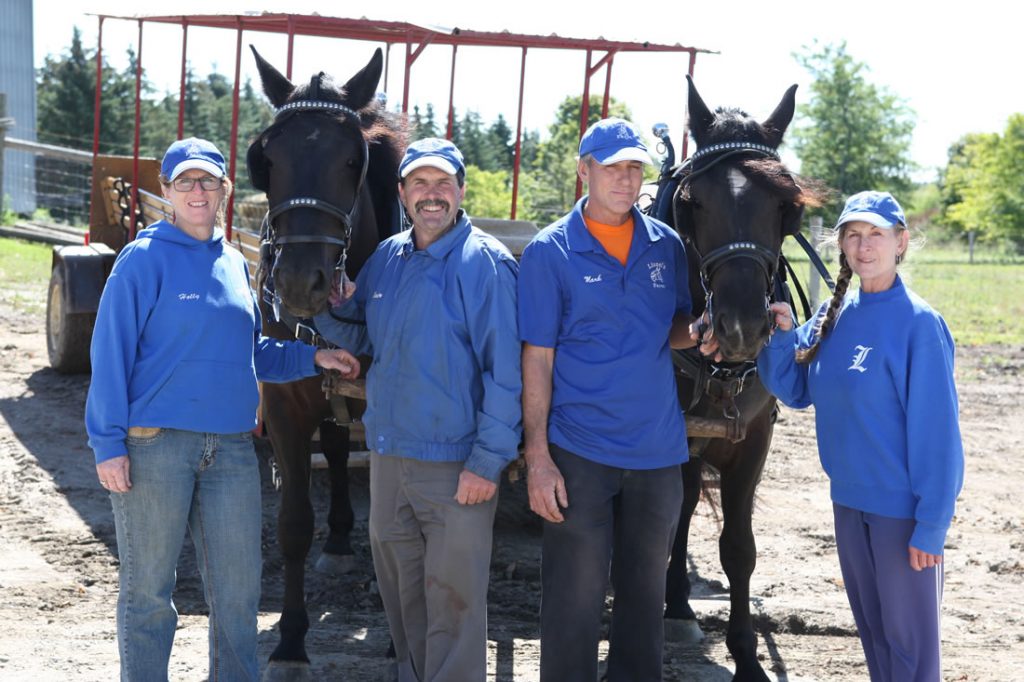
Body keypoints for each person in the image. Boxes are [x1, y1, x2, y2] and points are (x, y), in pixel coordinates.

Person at [85, 137, 360, 682]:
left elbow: (251, 351)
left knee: (239, 596)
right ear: (166, 190)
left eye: (208, 180)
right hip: (154, 446)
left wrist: (314, 355)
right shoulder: (142, 261)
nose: (197, 190)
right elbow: (108, 353)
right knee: (149, 595)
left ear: (224, 192)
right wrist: (107, 444)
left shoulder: (235, 262)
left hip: (232, 451)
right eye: (184, 180)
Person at [316, 137, 521, 681]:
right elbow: (357, 333)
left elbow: (506, 373)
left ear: (460, 189)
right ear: (403, 193)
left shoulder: (487, 265)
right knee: (404, 603)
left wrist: (487, 461)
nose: (432, 195)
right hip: (388, 459)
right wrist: (323, 304)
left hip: (456, 467)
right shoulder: (388, 257)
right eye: (420, 184)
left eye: (443, 183)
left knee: (453, 605)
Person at [517, 118, 705, 682]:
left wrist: (701, 332)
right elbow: (538, 358)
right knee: (574, 602)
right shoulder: (550, 252)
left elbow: (671, 328)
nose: (625, 179)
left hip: (657, 451)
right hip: (579, 451)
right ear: (584, 170)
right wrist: (538, 456)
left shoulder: (664, 244)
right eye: (612, 167)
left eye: (634, 168)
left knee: (645, 604)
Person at [756, 190, 964, 681]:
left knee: (910, 649)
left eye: (876, 235)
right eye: (853, 235)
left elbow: (938, 435)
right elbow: (793, 387)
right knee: (874, 638)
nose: (864, 246)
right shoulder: (837, 314)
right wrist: (784, 336)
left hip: (901, 515)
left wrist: (931, 524)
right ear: (841, 245)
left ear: (901, 243)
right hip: (848, 506)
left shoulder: (918, 325)